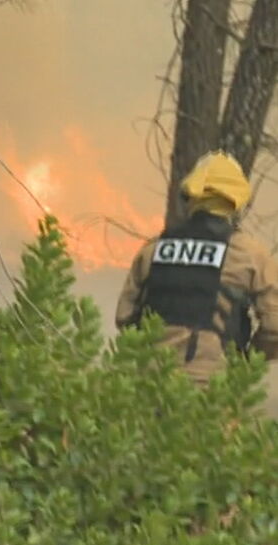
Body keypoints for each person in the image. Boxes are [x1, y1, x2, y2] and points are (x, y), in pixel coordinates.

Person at [115, 150, 278, 386]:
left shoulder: (153, 250)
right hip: (211, 392)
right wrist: (245, 363)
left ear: (190, 197)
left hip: (150, 386)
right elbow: (275, 326)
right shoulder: (250, 255)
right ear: (236, 201)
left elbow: (125, 317)